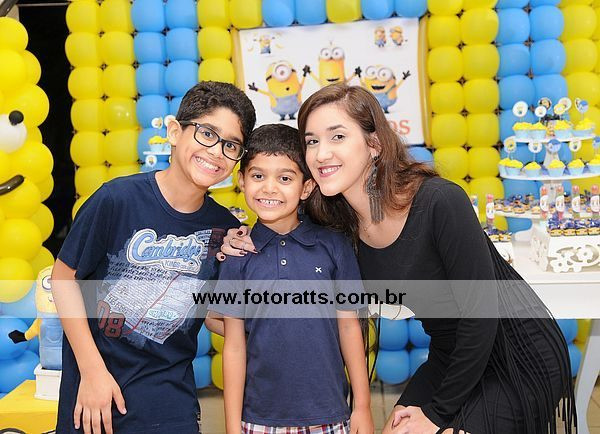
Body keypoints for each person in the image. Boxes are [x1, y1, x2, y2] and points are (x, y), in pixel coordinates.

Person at [221, 84, 575, 434]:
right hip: (449, 356)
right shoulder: (335, 224)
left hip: (518, 357)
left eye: (337, 136)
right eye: (312, 141)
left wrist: (436, 415)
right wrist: (234, 241)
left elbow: (481, 317)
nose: (321, 153)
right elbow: (277, 224)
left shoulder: (439, 202)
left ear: (374, 144)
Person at [51, 81, 256, 434]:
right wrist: (92, 370)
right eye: (207, 133)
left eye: (231, 145)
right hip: (95, 395)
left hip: (169, 401)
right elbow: (63, 278)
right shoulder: (116, 199)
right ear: (175, 132)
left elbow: (214, 317)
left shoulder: (224, 229)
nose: (216, 152)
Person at [208, 124, 374, 434]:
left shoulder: (333, 246)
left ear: (306, 187)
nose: (269, 188)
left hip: (329, 416)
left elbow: (349, 327)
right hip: (258, 420)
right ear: (242, 181)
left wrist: (362, 406)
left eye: (284, 178)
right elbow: (234, 347)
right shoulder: (236, 255)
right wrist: (232, 427)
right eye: (258, 176)